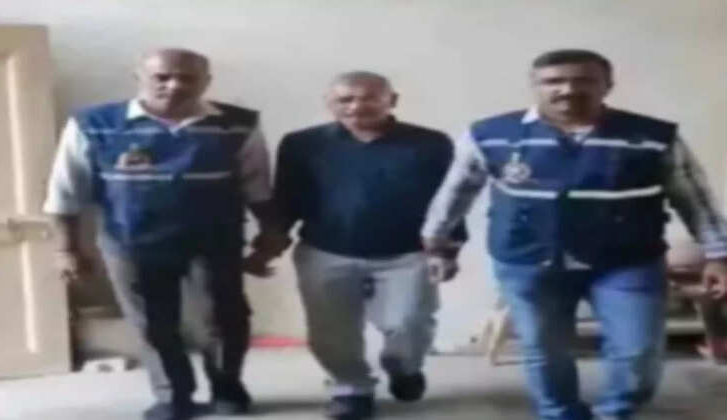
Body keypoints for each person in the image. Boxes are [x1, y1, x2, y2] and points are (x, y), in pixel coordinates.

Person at [421, 49, 727, 420]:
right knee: (544, 350)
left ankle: (615, 412)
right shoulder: (489, 135)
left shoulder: (653, 136)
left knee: (639, 354)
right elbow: (454, 194)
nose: (568, 89)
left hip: (627, 261)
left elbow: (694, 198)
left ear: (607, 85)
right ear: (535, 86)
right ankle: (559, 414)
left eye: (584, 80)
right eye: (554, 81)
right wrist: (439, 246)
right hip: (528, 260)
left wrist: (718, 255)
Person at [43, 48, 284, 420]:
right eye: (162, 77)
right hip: (130, 243)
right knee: (153, 323)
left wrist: (269, 238)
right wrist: (66, 250)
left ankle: (227, 389)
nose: (174, 85)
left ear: (206, 82)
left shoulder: (237, 124)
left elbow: (257, 187)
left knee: (224, 319)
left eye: (187, 78)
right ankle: (172, 396)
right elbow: (65, 192)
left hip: (214, 240)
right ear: (138, 77)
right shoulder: (95, 123)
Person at [269, 71, 464, 420]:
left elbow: (449, 201)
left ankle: (404, 367)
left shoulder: (430, 143)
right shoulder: (302, 144)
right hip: (326, 251)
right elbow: (287, 197)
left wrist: (446, 251)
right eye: (345, 99)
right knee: (331, 331)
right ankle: (351, 388)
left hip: (409, 253)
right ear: (329, 103)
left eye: (370, 98)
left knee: (410, 323)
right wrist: (269, 243)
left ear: (392, 100)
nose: (357, 106)